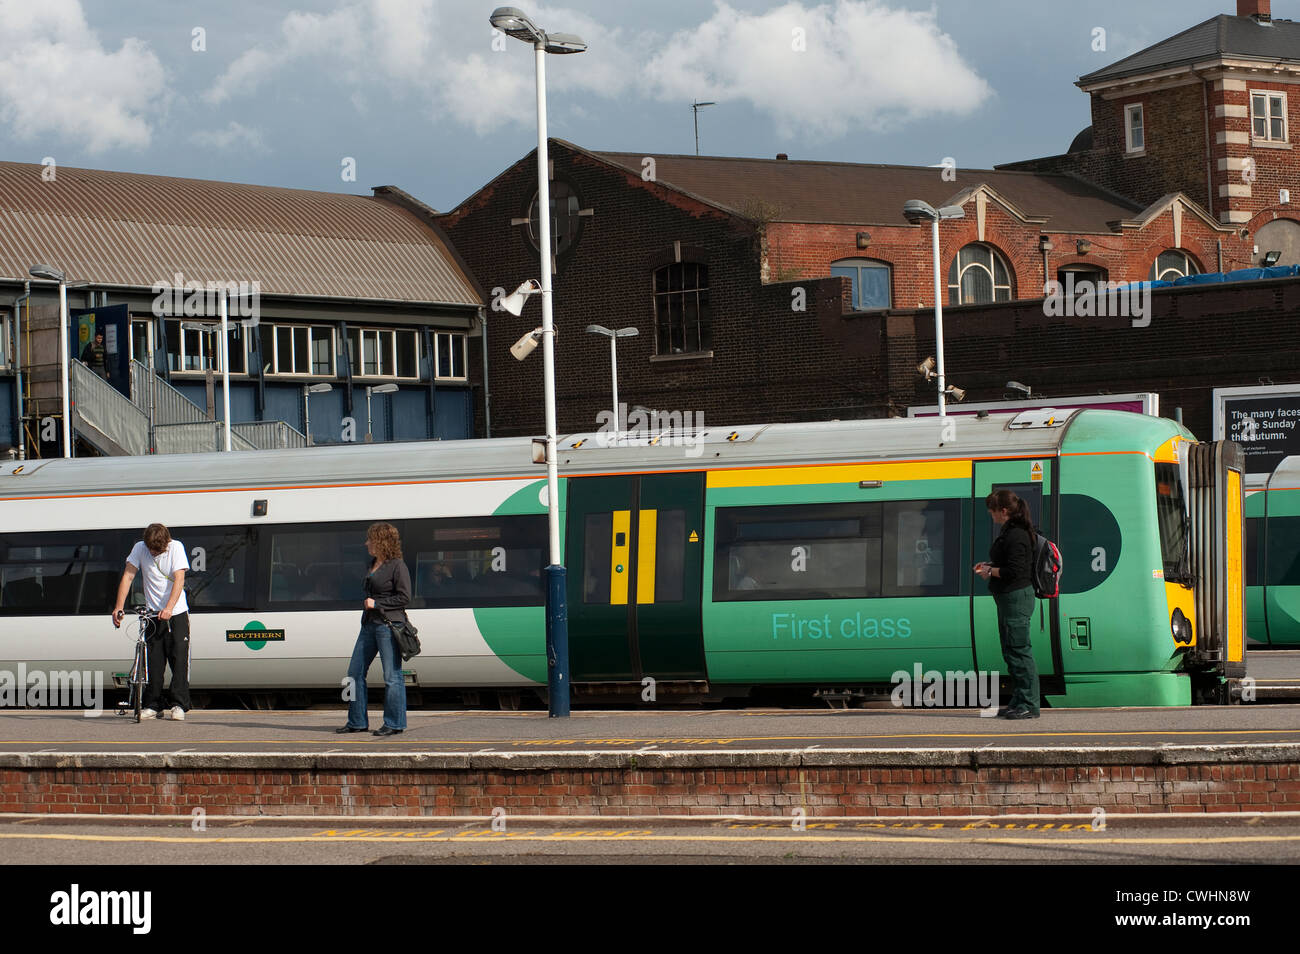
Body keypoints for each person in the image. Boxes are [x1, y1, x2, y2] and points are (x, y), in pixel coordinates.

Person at [112, 523, 192, 721]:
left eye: (158, 549)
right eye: (151, 549)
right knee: (153, 661)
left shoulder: (177, 547)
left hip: (177, 613)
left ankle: (179, 704)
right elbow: (128, 576)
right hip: (152, 614)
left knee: (178, 659)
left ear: (166, 543)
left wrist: (169, 608)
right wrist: (118, 607)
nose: (154, 553)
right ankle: (153, 704)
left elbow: (179, 580)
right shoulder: (140, 548)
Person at [339, 522, 410, 737]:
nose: (366, 543)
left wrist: (377, 605)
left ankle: (394, 723)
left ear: (380, 541)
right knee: (353, 673)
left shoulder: (397, 565)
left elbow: (405, 597)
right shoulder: (372, 564)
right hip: (369, 625)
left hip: (388, 626)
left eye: (370, 539)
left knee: (392, 675)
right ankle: (357, 721)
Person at [974, 490, 1040, 720]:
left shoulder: (1017, 535)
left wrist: (991, 571)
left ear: (1003, 511)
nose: (990, 515)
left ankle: (1030, 705)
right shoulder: (1011, 532)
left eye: (992, 511)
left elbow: (1016, 571)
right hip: (1008, 598)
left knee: (1019, 650)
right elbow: (1010, 563)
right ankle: (1018, 700)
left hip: (1016, 598)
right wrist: (990, 566)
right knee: (1010, 651)